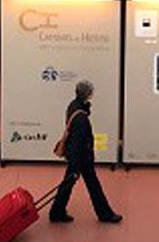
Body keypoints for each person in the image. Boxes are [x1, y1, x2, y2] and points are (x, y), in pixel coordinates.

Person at [49, 81, 123, 224]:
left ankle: (57, 212)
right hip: (82, 157)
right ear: (88, 94)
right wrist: (76, 168)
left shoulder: (73, 105)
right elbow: (78, 143)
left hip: (76, 155)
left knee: (69, 184)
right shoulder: (82, 119)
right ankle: (105, 215)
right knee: (92, 185)